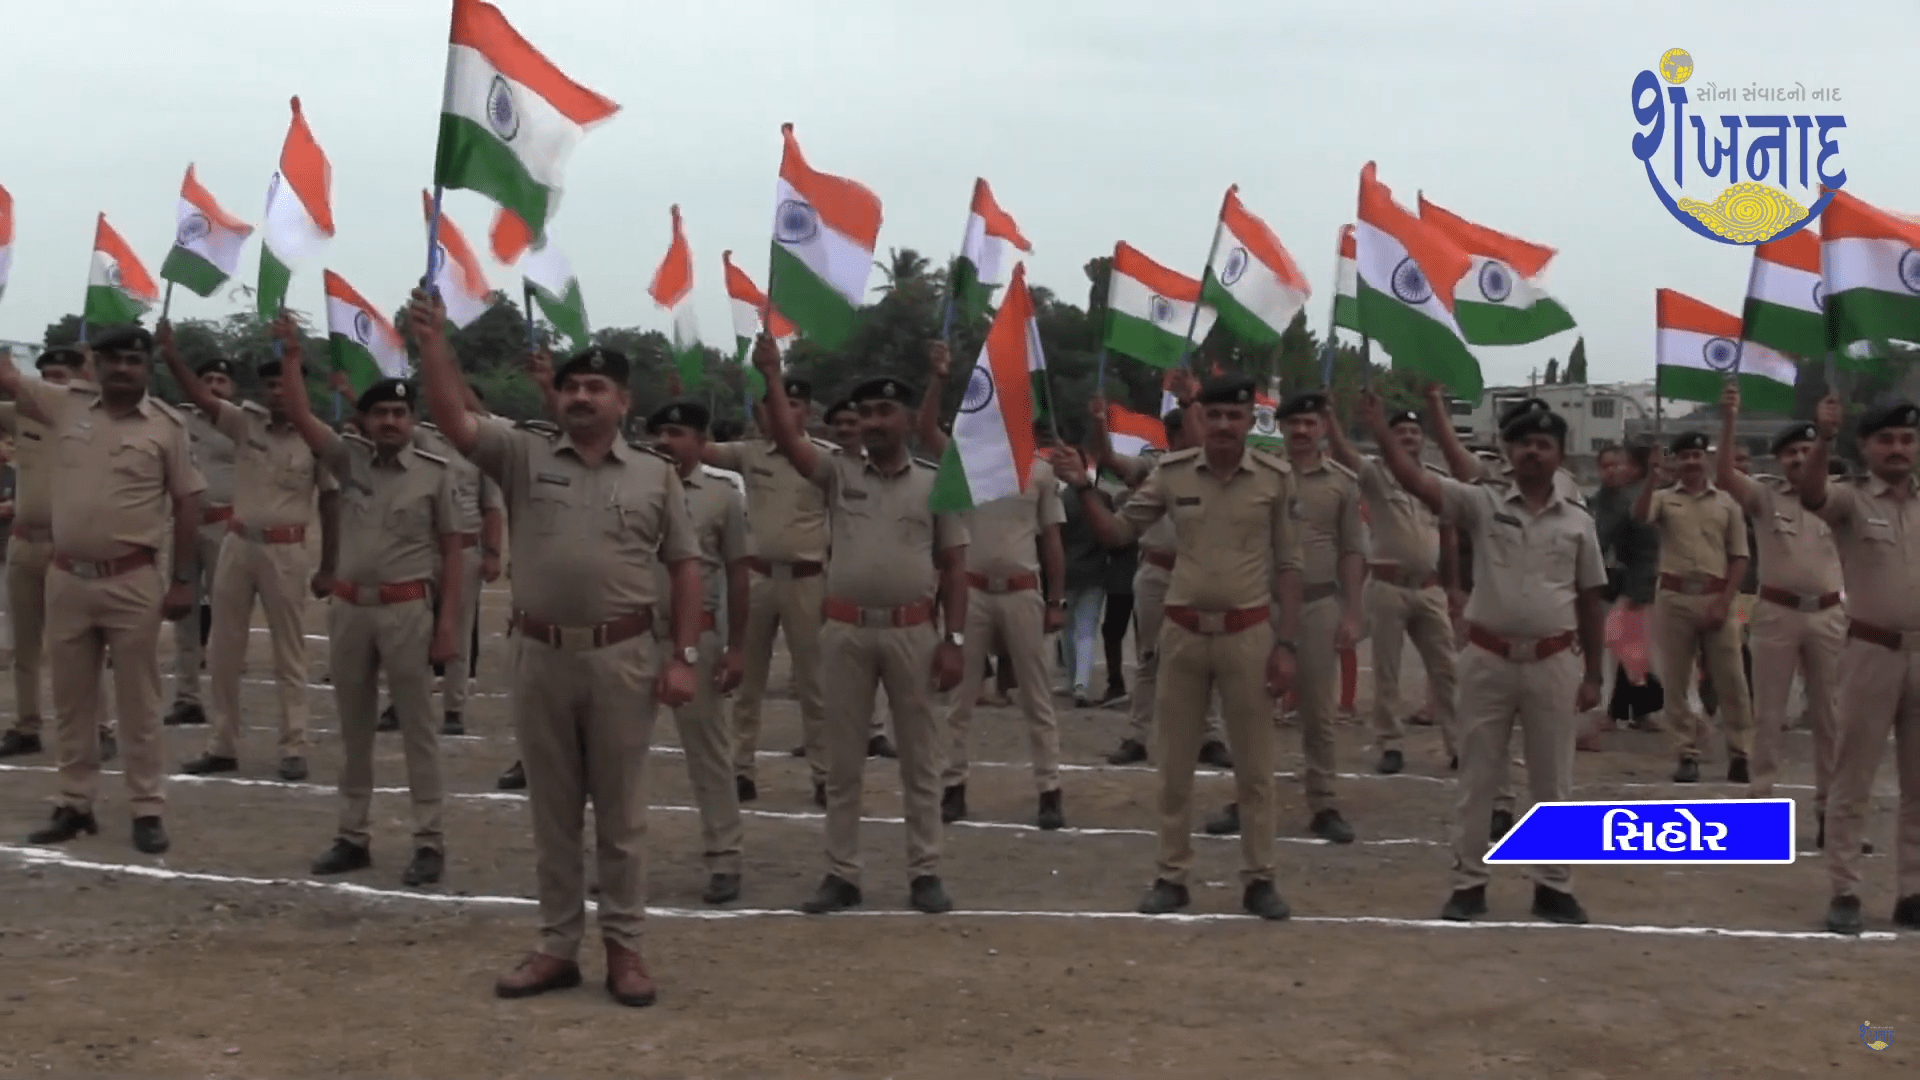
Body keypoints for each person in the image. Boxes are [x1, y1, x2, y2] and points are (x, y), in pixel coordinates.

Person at [416, 290, 703, 1007]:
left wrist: (683, 656)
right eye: (573, 385)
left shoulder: (655, 474)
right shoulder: (522, 453)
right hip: (541, 656)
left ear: (622, 403)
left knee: (622, 814)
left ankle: (626, 949)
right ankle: (555, 947)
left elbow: (685, 566)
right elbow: (454, 422)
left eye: (596, 387)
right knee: (552, 811)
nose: (581, 396)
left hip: (625, 659)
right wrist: (434, 345)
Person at [1056, 372, 1303, 919]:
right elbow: (1119, 533)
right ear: (1200, 420)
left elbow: (1288, 564)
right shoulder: (1171, 476)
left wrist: (1286, 644)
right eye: (1212, 416)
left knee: (1255, 767)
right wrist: (1081, 487)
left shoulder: (1274, 479)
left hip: (1248, 633)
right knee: (1173, 765)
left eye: (1233, 417)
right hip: (1184, 636)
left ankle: (1260, 878)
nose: (1222, 425)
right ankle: (1172, 875)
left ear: (1247, 422)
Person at [1362, 389, 1605, 925]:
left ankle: (1553, 885)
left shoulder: (1578, 520)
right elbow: (1419, 483)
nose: (1532, 453)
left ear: (1559, 454)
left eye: (1543, 444)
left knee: (1553, 781)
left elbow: (1591, 596)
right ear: (1508, 451)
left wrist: (1595, 674)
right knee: (1477, 775)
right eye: (1522, 444)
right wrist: (1382, 432)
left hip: (1553, 662)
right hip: (1488, 659)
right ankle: (1469, 882)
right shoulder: (1482, 502)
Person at [753, 339, 967, 917]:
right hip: (845, 633)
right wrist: (773, 376)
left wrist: (955, 641)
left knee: (921, 762)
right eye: (866, 413)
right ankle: (841, 872)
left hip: (913, 633)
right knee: (843, 761)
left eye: (884, 413)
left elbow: (954, 566)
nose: (873, 423)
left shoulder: (935, 482)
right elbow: (788, 443)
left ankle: (925, 871)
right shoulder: (836, 472)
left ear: (905, 421)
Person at [2, 326, 204, 854]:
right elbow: (5, 377)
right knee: (72, 700)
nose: (122, 368)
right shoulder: (65, 405)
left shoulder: (167, 425)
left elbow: (188, 502)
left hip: (132, 579)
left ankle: (146, 809)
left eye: (132, 360)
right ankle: (75, 802)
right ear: (97, 363)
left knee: (139, 703)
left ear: (146, 366)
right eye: (112, 359)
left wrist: (184, 580)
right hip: (66, 578)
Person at [274, 322, 462, 886]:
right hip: (351, 610)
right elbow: (305, 419)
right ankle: (351, 835)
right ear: (364, 420)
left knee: (418, 732)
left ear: (411, 422)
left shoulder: (435, 475)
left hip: (409, 609)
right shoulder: (347, 460)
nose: (390, 422)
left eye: (400, 415)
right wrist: (290, 359)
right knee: (353, 731)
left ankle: (429, 841)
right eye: (380, 414)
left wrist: (448, 624)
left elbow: (453, 551)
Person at [160, 326, 340, 783]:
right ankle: (222, 743)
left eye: (287, 384)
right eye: (272, 385)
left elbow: (331, 502)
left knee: (289, 652)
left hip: (287, 550)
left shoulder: (317, 436)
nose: (279, 392)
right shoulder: (245, 422)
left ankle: (293, 744)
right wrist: (172, 356)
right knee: (223, 648)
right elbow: (201, 400)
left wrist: (329, 566)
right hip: (239, 544)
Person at [915, 340, 1069, 829]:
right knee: (959, 699)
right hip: (975, 592)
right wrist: (938, 379)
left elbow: (1053, 542)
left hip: (1024, 589)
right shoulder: (966, 463)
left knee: (1037, 699)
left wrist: (1057, 600)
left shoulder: (1041, 472)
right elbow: (924, 431)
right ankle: (953, 786)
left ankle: (1049, 790)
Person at [1204, 390, 1362, 846]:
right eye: (1293, 423)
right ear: (1281, 428)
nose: (1301, 431)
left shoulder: (1342, 483)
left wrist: (1351, 611)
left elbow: (1352, 551)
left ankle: (1324, 802)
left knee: (1317, 710)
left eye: (1311, 423)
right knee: (1249, 707)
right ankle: (1246, 798)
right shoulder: (1261, 476)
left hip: (1316, 606)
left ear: (1322, 429)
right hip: (1260, 602)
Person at [1797, 395, 1920, 935]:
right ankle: (1845, 888)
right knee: (1853, 776)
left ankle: (1913, 889)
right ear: (1866, 447)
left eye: (1908, 439)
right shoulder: (1851, 501)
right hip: (1870, 652)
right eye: (1887, 440)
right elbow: (1811, 493)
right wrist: (1823, 438)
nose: (1899, 448)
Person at [1716, 386, 1846, 838]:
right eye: (1790, 452)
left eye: (1806, 450)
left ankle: (1832, 809)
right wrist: (1730, 418)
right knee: (1768, 713)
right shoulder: (1766, 498)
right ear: (1778, 460)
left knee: (1830, 716)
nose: (1797, 458)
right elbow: (1725, 476)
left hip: (1829, 615)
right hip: (1778, 612)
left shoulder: (1841, 499)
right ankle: (1761, 806)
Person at [702, 375, 837, 807]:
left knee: (815, 686)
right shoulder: (750, 453)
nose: (784, 410)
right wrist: (686, 404)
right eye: (777, 402)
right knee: (746, 683)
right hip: (758, 578)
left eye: (795, 403)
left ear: (808, 412)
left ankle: (823, 773)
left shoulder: (824, 459)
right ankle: (741, 769)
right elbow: (701, 450)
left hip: (807, 579)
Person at [1089, 394, 1231, 768]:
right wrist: (1100, 423)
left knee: (1206, 655)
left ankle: (1210, 735)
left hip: (1198, 572)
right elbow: (1110, 460)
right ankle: (1137, 735)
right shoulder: (1153, 467)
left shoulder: (1210, 469)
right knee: (1150, 656)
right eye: (1179, 432)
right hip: (1156, 572)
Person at [648, 398, 751, 905]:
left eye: (677, 433)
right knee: (614, 755)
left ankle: (724, 859)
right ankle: (615, 859)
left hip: (700, 637)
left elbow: (737, 574)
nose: (666, 442)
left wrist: (737, 648)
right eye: (659, 433)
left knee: (709, 754)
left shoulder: (723, 496)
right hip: (633, 636)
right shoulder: (632, 485)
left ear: (700, 440)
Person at [1324, 401, 1459, 777]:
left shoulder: (1435, 480)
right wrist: (1332, 418)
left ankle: (1459, 744)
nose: (1409, 437)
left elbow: (1448, 534)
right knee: (1387, 670)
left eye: (1415, 432)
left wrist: (1454, 587)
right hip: (1387, 587)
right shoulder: (1376, 475)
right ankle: (1391, 743)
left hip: (1429, 589)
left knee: (1447, 668)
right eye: (1401, 432)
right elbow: (1343, 454)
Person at [0, 346, 116, 760]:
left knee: (82, 646)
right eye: (45, 375)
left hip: (69, 547)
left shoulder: (89, 422)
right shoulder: (19, 414)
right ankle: (26, 725)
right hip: (24, 544)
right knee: (25, 647)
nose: (51, 383)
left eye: (60, 376)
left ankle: (100, 728)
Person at [1633, 430, 1754, 783]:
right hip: (1674, 597)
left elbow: (1740, 558)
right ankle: (1686, 752)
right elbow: (1640, 516)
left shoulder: (1727, 503)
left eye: (1696, 456)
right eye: (1683, 456)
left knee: (1731, 678)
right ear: (1675, 461)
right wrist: (1652, 477)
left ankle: (1741, 751)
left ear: (1707, 459)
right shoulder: (1664, 499)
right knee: (1676, 679)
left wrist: (1725, 601)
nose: (1690, 462)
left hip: (1717, 596)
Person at [412, 407, 505, 736]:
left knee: (460, 631)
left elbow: (491, 506)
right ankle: (408, 704)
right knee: (412, 626)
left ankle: (454, 708)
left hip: (465, 547)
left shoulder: (481, 453)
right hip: (421, 547)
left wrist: (492, 553)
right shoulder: (420, 438)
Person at [163, 356, 237, 730]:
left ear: (232, 388)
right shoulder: (180, 420)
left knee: (225, 616)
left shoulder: (239, 424)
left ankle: (225, 703)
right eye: (207, 377)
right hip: (186, 525)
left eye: (221, 379)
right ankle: (186, 697)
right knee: (184, 616)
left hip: (225, 526)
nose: (214, 384)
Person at [1592, 443, 1665, 731]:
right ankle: (1618, 710)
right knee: (1625, 649)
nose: (1613, 470)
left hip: (1637, 583)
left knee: (1631, 647)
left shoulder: (1638, 499)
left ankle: (1624, 709)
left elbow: (1648, 547)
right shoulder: (1597, 502)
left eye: (1617, 464)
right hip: (1605, 582)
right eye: (1606, 465)